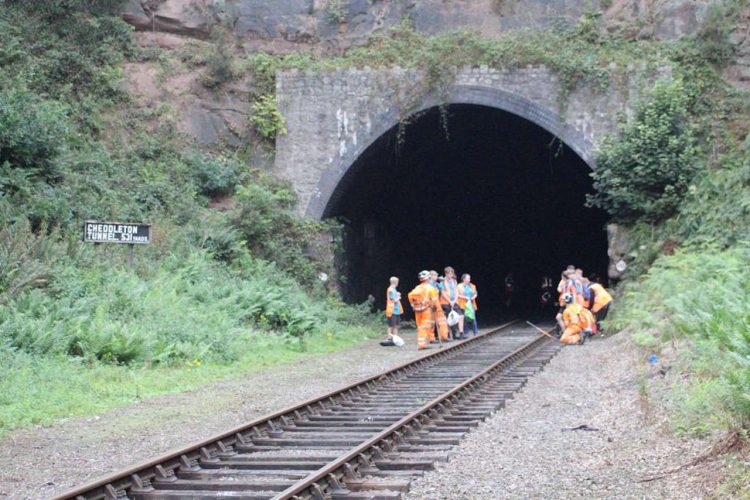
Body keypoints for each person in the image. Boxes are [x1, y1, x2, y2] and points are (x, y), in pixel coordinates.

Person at [408, 270, 438, 350]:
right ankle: (422, 345)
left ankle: (423, 343)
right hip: (426, 310)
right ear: (428, 278)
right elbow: (435, 300)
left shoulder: (417, 288)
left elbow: (410, 296)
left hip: (417, 310)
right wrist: (436, 307)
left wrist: (412, 305)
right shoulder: (430, 288)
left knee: (420, 326)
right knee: (424, 326)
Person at [440, 266, 462, 340]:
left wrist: (455, 300)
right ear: (446, 273)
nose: (451, 275)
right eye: (449, 273)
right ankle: (449, 335)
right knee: (449, 318)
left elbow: (456, 291)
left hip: (454, 301)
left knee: (459, 316)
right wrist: (450, 301)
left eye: (452, 273)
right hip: (446, 302)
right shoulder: (442, 281)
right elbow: (443, 292)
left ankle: (458, 334)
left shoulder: (454, 281)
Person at [429, 270, 450, 342]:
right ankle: (432, 338)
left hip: (437, 304)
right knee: (431, 322)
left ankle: (444, 336)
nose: (436, 277)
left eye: (436, 275)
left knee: (442, 320)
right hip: (431, 304)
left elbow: (442, 289)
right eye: (435, 275)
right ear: (431, 276)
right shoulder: (428, 284)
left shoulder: (436, 284)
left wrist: (442, 281)